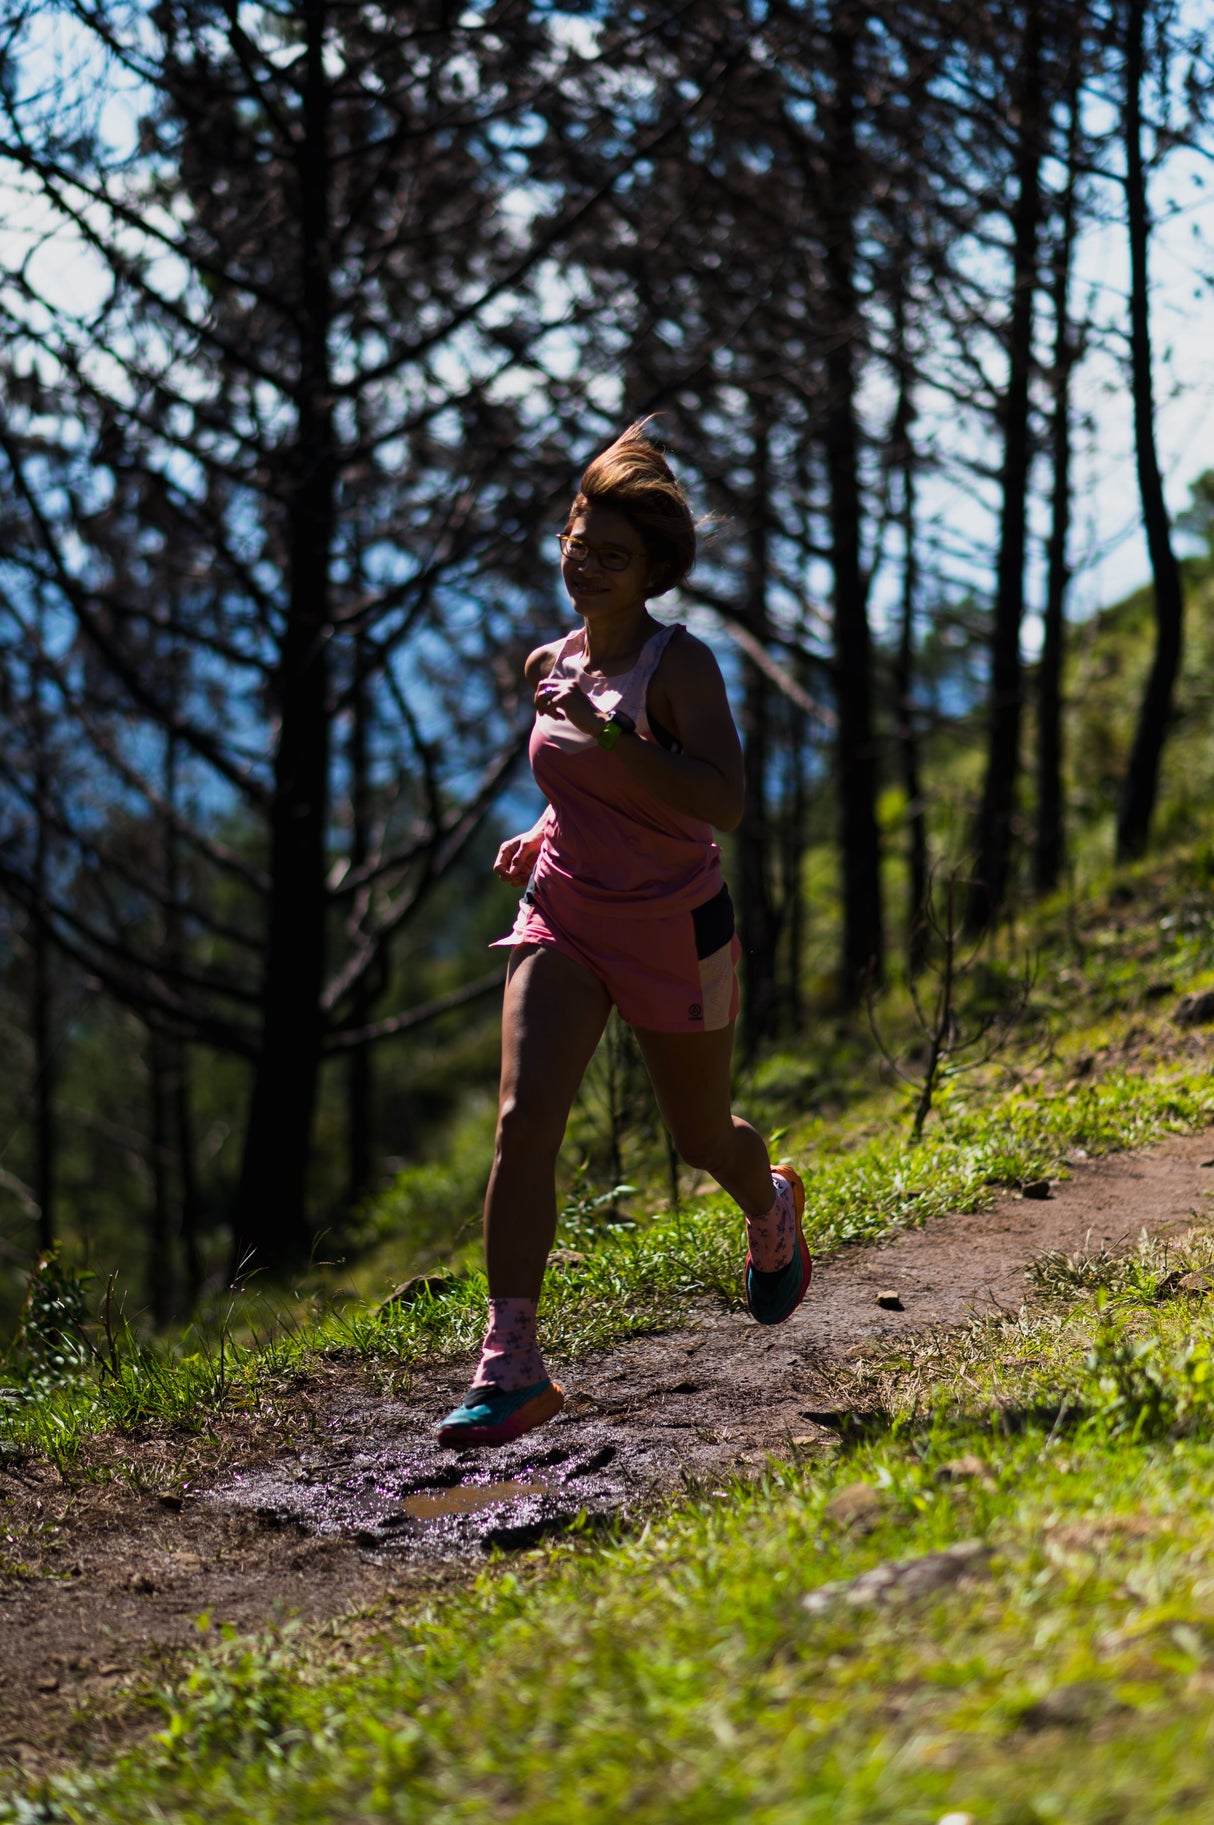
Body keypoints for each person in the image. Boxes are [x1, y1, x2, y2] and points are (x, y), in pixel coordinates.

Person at [438, 423, 811, 1448]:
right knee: (523, 1123)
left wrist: (608, 729)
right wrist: (542, 831)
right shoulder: (546, 661)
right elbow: (578, 789)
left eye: (610, 554)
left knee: (701, 1139)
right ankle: (509, 1364)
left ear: (653, 571)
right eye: (575, 539)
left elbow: (721, 802)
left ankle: (768, 1203)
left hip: (673, 927)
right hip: (563, 912)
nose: (583, 563)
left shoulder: (675, 667)